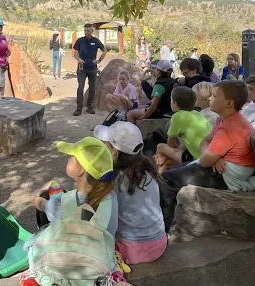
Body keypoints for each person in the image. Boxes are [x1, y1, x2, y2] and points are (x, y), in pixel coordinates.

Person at [158, 80, 255, 224]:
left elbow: (205, 160)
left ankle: (165, 225)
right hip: (219, 165)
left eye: (214, 96)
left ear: (229, 103)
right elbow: (205, 141)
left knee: (166, 179)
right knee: (176, 170)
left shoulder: (230, 127)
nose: (210, 98)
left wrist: (211, 155)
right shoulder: (223, 120)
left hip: (226, 175)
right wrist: (215, 157)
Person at [94, 122, 166, 264]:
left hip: (129, 250)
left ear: (114, 152)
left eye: (105, 144)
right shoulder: (148, 172)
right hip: (158, 243)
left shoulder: (113, 179)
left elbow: (105, 220)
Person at [33, 136, 119, 237]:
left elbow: (39, 203)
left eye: (71, 156)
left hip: (69, 249)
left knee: (45, 195)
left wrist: (36, 198)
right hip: (100, 250)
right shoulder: (111, 197)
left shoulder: (62, 206)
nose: (68, 158)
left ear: (80, 170)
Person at [153, 86, 212, 170]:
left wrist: (165, 153)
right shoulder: (196, 113)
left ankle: (155, 173)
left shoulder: (177, 117)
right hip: (207, 155)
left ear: (175, 103)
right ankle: (162, 173)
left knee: (160, 147)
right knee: (168, 161)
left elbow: (170, 144)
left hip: (198, 159)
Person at [73, 23, 107, 116]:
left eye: (88, 30)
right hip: (82, 69)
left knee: (92, 88)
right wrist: (79, 59)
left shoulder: (96, 41)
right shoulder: (80, 41)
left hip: (92, 68)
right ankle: (79, 108)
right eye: (85, 30)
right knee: (80, 88)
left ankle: (89, 107)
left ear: (92, 31)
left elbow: (105, 50)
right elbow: (75, 54)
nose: (86, 32)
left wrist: (99, 60)